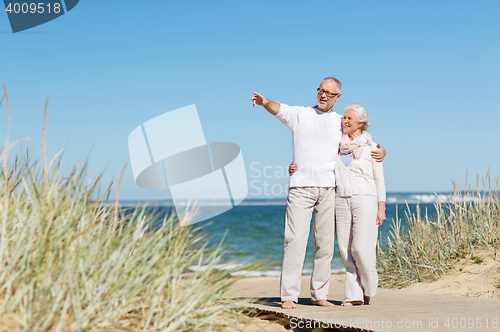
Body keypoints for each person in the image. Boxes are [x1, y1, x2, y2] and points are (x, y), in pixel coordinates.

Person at [251, 78, 385, 309]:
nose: (323, 96)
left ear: (337, 97)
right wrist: (265, 102)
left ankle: (319, 295)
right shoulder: (300, 115)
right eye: (320, 91)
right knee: (294, 241)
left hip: (330, 189)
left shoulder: (339, 123)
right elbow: (277, 107)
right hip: (301, 187)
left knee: (325, 245)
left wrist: (381, 152)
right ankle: (289, 295)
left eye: (328, 93)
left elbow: (359, 141)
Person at [289, 102, 386, 306]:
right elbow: (316, 157)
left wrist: (381, 207)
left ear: (361, 122)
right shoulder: (337, 145)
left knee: (360, 248)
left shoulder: (372, 148)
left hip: (365, 199)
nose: (345, 120)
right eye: (344, 117)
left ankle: (369, 288)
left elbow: (380, 180)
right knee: (345, 250)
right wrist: (295, 167)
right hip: (340, 200)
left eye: (349, 118)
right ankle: (354, 296)